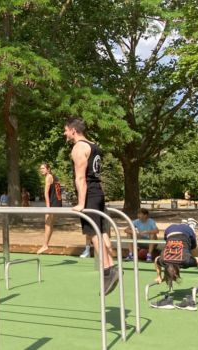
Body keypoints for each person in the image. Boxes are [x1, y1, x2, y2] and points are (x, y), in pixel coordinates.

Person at [65, 117, 119, 295]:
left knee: (93, 232)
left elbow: (80, 177)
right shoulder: (94, 145)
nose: (65, 133)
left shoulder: (79, 147)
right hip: (98, 191)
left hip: (89, 194)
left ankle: (107, 270)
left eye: (66, 130)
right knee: (102, 231)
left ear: (73, 130)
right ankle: (112, 266)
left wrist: (81, 203)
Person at [151, 219, 198, 311]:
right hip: (170, 230)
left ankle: (191, 225)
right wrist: (159, 276)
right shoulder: (163, 260)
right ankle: (184, 224)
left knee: (195, 247)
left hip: (180, 231)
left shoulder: (185, 260)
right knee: (187, 252)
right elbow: (156, 260)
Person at [37, 163, 66, 255]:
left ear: (48, 169)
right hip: (57, 203)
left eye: (43, 168)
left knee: (47, 224)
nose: (41, 170)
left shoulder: (48, 177)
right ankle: (46, 244)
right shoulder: (54, 177)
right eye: (40, 168)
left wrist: (48, 206)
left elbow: (46, 193)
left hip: (53, 204)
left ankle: (45, 245)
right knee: (50, 225)